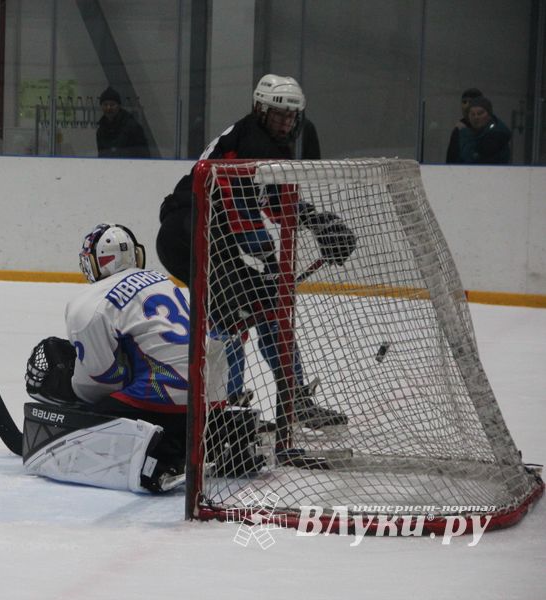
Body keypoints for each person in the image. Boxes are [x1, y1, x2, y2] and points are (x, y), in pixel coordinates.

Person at [155, 74, 355, 431]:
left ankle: (289, 400)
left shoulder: (267, 144)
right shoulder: (251, 142)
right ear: (260, 109)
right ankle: (227, 406)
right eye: (278, 114)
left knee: (267, 307)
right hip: (187, 232)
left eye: (290, 116)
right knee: (232, 312)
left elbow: (275, 203)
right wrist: (267, 259)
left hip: (213, 235)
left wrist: (317, 221)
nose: (285, 122)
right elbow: (239, 207)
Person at [22, 223, 191, 494]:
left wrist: (71, 396)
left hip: (162, 402)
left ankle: (164, 453)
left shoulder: (89, 302)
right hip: (205, 402)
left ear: (95, 262)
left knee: (90, 409)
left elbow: (99, 381)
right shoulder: (163, 281)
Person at [95, 87, 150, 158]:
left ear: (119, 106)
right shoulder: (101, 130)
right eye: (105, 104)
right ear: (101, 106)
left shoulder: (132, 127)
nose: (108, 108)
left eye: (112, 105)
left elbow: (144, 154)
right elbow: (102, 154)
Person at [455, 96, 512, 165]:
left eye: (480, 113)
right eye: (472, 114)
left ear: (489, 115)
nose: (476, 117)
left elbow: (473, 158)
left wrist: (465, 133)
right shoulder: (473, 132)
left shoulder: (497, 135)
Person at [446, 88, 482, 163]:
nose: (466, 106)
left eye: (471, 102)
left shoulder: (489, 129)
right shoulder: (459, 129)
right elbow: (451, 160)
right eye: (464, 102)